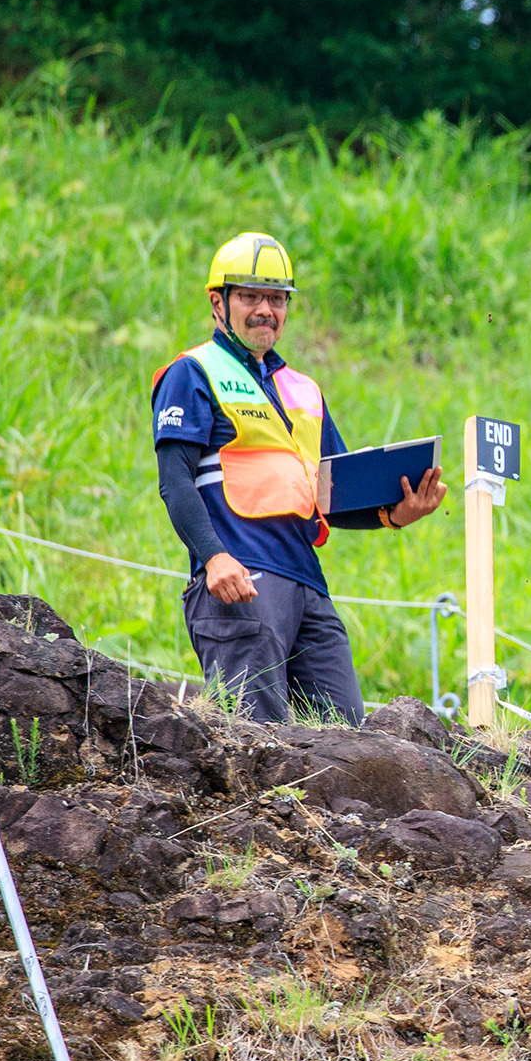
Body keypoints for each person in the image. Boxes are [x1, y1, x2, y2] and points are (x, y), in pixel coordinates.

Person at [151, 233, 447, 724]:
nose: (265, 310)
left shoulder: (304, 389)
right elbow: (175, 482)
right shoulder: (193, 372)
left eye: (277, 298)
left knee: (348, 738)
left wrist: (394, 514)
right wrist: (214, 557)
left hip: (308, 585)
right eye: (251, 296)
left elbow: (332, 496)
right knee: (255, 739)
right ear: (218, 303)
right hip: (240, 579)